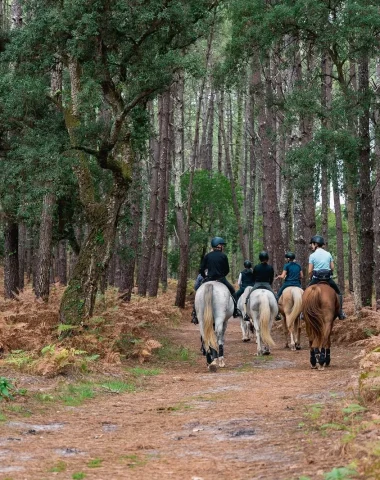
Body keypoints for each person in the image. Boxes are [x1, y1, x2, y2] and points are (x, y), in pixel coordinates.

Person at [199, 236, 241, 318]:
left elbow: (201, 269)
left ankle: (195, 313)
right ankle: (235, 310)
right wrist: (221, 276)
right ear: (219, 246)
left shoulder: (207, 256)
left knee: (198, 291)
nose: (223, 247)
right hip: (221, 279)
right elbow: (227, 270)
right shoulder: (223, 256)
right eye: (222, 245)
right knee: (232, 291)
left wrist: (205, 277)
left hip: (209, 279)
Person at [308, 235, 346, 320]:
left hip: (316, 278)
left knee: (305, 293)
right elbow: (332, 268)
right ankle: (340, 312)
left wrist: (310, 277)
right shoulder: (328, 254)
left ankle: (303, 312)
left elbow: (310, 271)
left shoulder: (312, 256)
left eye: (312, 244)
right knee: (339, 293)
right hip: (327, 279)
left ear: (316, 244)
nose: (311, 246)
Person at [274, 252, 303, 320]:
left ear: (288, 259)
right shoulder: (298, 266)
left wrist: (279, 276)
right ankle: (303, 312)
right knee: (304, 297)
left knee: (277, 296)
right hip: (297, 284)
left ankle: (277, 313)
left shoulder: (286, 266)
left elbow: (283, 276)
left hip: (288, 284)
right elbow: (302, 276)